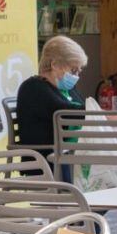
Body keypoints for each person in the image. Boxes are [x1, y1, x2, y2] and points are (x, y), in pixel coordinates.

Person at [16, 35, 87, 175]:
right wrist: (102, 113)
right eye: (73, 70)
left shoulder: (67, 89)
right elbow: (67, 113)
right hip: (45, 163)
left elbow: (83, 110)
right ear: (54, 65)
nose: (77, 76)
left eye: (79, 71)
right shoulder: (33, 88)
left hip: (67, 156)